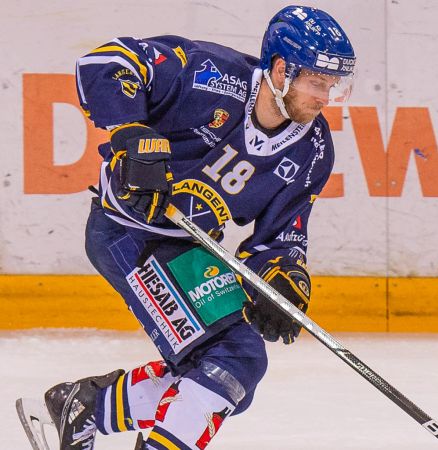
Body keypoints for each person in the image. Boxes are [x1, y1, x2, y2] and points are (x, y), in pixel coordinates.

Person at [20, 5, 355, 450]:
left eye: (332, 86)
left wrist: (284, 277)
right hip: (126, 232)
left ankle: (86, 405)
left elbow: (280, 238)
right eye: (317, 83)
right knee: (235, 360)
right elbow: (105, 62)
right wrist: (131, 131)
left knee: (227, 378)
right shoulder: (208, 73)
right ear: (280, 69)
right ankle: (90, 408)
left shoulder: (313, 149)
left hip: (188, 249)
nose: (325, 99)